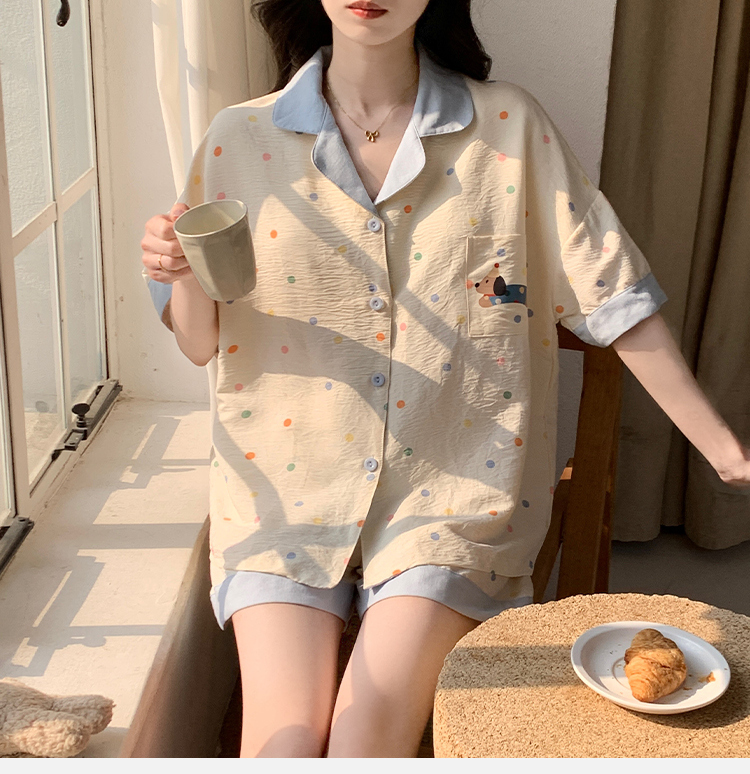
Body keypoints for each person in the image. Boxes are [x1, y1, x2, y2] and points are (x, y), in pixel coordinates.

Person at [141, 0, 750, 758]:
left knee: (364, 745)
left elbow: (612, 294)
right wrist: (178, 271)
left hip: (455, 496)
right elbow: (201, 343)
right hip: (286, 495)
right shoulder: (239, 136)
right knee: (280, 747)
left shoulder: (509, 127)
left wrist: (726, 452)